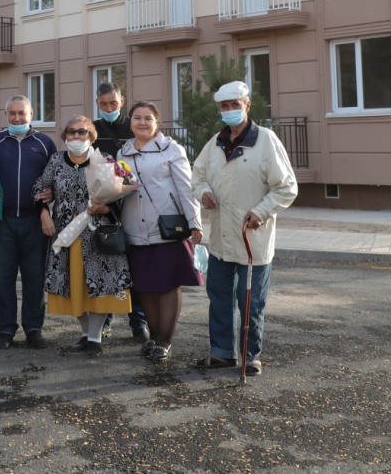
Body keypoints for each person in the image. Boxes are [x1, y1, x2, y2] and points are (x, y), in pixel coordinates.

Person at [193, 81, 298, 376]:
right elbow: (197, 175)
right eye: (224, 107)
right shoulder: (214, 143)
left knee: (250, 300)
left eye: (235, 105)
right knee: (219, 297)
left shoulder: (265, 140)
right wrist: (203, 192)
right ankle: (222, 352)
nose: (229, 111)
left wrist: (261, 211)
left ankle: (251, 356)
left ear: (247, 106)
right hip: (220, 238)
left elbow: (287, 187)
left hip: (252, 237)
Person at [35, 116, 132, 358]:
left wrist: (107, 209)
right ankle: (86, 333)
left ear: (91, 136)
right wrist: (44, 213)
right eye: (71, 132)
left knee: (98, 288)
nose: (76, 137)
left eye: (82, 132)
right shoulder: (56, 160)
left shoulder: (105, 161)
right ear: (65, 136)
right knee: (71, 286)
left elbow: (122, 195)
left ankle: (95, 338)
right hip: (66, 236)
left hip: (96, 237)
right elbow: (39, 188)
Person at [118, 101, 203, 364]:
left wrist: (195, 222)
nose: (142, 123)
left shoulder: (171, 149)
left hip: (166, 228)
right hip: (134, 228)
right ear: (130, 121)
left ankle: (164, 341)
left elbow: (186, 188)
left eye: (148, 118)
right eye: (137, 118)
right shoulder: (124, 151)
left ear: (157, 122)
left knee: (167, 286)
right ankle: (153, 339)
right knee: (144, 287)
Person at [0, 95, 57, 349]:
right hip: (2, 222)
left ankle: (34, 328)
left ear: (31, 114)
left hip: (35, 221)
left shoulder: (45, 143)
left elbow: (56, 178)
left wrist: (52, 194)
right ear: (6, 116)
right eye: (12, 114)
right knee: (2, 278)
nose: (17, 118)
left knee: (34, 277)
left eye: (21, 114)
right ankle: (5, 329)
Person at [92, 81, 148, 342]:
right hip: (104, 206)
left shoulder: (132, 126)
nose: (108, 108)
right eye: (103, 104)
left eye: (113, 103)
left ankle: (138, 321)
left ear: (122, 101)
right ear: (97, 103)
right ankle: (106, 320)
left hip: (133, 203)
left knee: (136, 267)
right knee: (108, 263)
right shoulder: (92, 128)